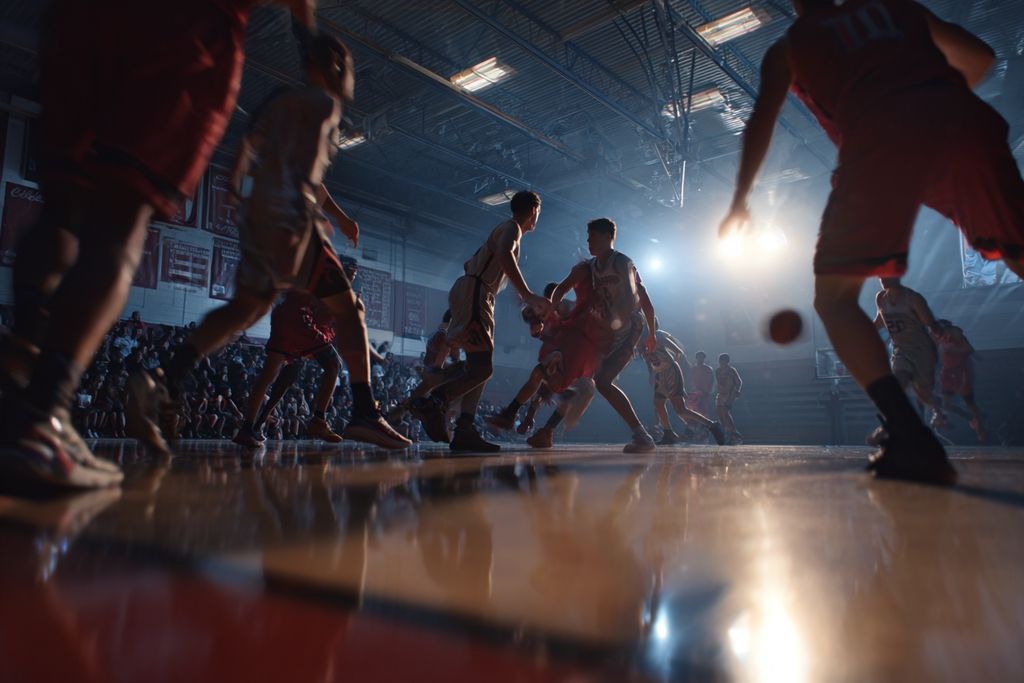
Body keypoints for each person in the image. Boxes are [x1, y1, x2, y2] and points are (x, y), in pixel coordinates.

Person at [0, 0, 317, 490]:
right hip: (184, 29)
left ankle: (21, 378)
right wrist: (310, 46)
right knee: (123, 221)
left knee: (62, 206)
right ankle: (44, 416)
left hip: (81, 18)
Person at [719, 0, 1024, 484]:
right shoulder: (897, 7)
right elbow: (981, 57)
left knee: (834, 299)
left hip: (879, 145)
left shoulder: (790, 48)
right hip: (962, 122)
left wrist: (740, 199)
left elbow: (760, 121)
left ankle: (910, 435)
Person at [127, 34, 410, 453]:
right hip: (292, 219)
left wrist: (239, 191)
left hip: (260, 218)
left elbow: (247, 150)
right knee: (351, 311)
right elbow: (307, 175)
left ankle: (164, 377)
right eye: (348, 64)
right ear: (333, 66)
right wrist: (315, 216)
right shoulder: (324, 105)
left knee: (246, 309)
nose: (352, 75)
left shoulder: (281, 102)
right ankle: (364, 412)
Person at [411, 191, 551, 453]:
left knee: (478, 366)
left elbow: (469, 264)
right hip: (477, 293)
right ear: (534, 210)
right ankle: (433, 402)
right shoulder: (512, 228)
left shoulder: (502, 230)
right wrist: (526, 294)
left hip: (475, 291)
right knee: (483, 368)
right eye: (538, 213)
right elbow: (504, 254)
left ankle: (464, 429)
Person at [550, 218, 658, 453]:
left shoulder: (622, 262)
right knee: (593, 379)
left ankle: (642, 436)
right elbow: (561, 288)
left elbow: (637, 299)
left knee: (601, 380)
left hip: (628, 326)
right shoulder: (589, 267)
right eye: (587, 238)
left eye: (593, 237)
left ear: (608, 237)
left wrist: (651, 333)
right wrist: (552, 308)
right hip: (606, 327)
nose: (588, 242)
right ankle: (552, 424)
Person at [233, 290, 343, 447]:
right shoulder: (336, 289)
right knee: (334, 364)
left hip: (283, 315)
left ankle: (249, 428)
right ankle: (319, 420)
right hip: (302, 318)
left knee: (274, 377)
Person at [872, 278, 945, 433]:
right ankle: (890, 424)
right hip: (901, 349)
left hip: (921, 350)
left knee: (923, 393)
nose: (882, 279)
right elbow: (880, 321)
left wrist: (941, 336)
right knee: (898, 384)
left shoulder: (913, 299)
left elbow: (931, 323)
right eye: (880, 276)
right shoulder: (881, 298)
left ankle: (937, 408)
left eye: (886, 275)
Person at [643, 327, 725, 446]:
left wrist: (672, 367)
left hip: (671, 372)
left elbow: (678, 351)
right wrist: (652, 373)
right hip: (660, 374)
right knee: (658, 403)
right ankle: (668, 433)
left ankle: (712, 425)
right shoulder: (641, 345)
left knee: (680, 409)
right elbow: (648, 360)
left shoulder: (658, 337)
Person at [386, 310, 462, 423]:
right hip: (437, 374)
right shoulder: (447, 337)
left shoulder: (437, 335)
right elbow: (445, 361)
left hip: (429, 372)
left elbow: (434, 360)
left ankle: (397, 413)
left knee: (416, 397)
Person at [936, 319, 987, 442]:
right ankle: (970, 418)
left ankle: (981, 431)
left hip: (961, 371)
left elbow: (969, 350)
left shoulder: (956, 335)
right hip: (947, 372)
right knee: (945, 404)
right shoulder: (938, 339)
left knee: (969, 402)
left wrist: (980, 362)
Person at [715, 354, 743, 444]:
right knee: (719, 413)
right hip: (721, 394)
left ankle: (734, 433)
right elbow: (719, 382)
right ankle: (728, 431)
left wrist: (737, 391)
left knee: (725, 411)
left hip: (730, 394)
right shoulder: (717, 371)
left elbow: (739, 381)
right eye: (720, 360)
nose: (721, 362)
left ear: (727, 361)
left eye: (723, 360)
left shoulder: (731, 370)